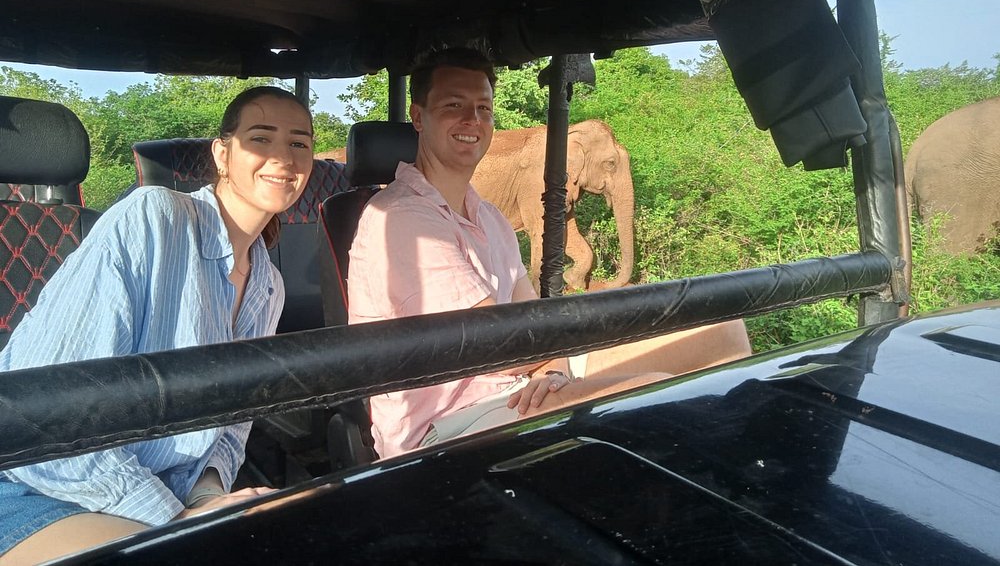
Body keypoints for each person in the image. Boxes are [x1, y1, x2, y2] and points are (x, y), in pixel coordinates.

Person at [349, 49, 748, 459]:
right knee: (649, 398)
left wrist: (553, 366)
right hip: (450, 420)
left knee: (721, 330)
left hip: (519, 380)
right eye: (454, 105)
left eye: (483, 108)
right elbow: (497, 346)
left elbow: (530, 315)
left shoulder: (488, 216)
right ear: (418, 117)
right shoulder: (401, 216)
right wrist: (547, 358)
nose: (473, 120)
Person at [0, 86, 314, 565]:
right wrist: (174, 520)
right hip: (35, 482)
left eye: (299, 143)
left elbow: (230, 429)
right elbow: (46, 425)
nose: (283, 158)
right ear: (222, 154)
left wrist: (209, 499)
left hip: (158, 494)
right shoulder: (155, 218)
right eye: (261, 138)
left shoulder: (268, 286)